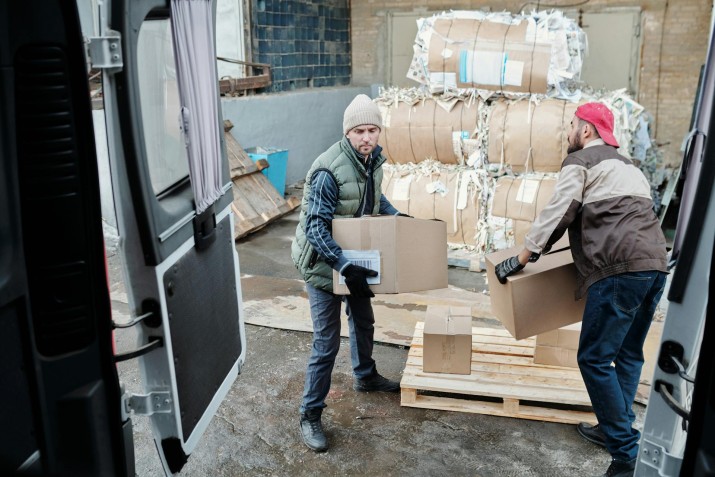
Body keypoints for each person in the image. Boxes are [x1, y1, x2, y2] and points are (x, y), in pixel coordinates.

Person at [494, 102, 668, 477]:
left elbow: (560, 210)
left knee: (592, 358)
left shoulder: (581, 162)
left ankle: (627, 455)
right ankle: (613, 428)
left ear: (586, 130)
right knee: (627, 352)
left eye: (572, 125)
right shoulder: (628, 167)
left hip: (619, 270)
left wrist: (523, 257)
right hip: (654, 266)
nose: (568, 132)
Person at [291, 94, 405, 453]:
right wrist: (342, 266)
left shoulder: (372, 161)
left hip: (354, 257)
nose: (367, 137)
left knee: (364, 321)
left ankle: (366, 376)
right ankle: (310, 414)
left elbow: (373, 201)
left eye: (372, 129)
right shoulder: (328, 170)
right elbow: (315, 228)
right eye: (359, 131)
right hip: (324, 265)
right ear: (348, 132)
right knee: (326, 344)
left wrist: (400, 220)